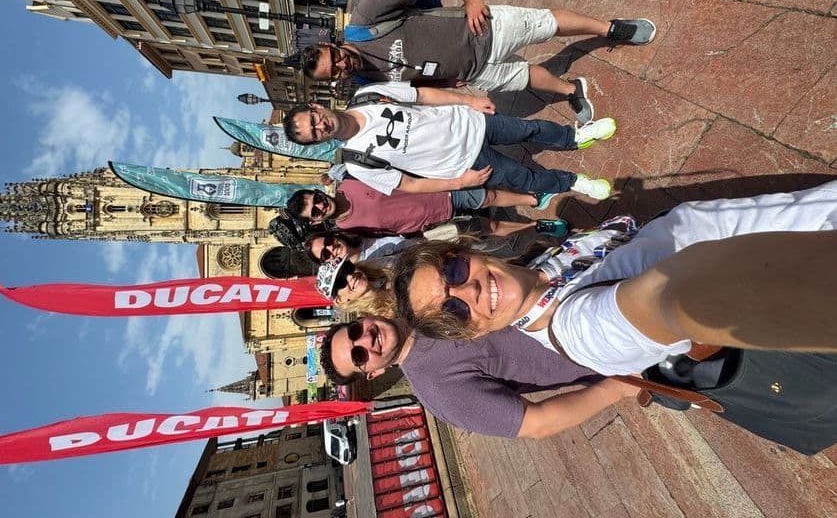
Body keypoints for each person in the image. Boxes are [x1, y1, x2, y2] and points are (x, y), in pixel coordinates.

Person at [393, 182, 837, 384]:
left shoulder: (542, 267)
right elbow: (671, 302)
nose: (467, 290)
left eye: (453, 270)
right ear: (472, 332)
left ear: (465, 250)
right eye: (454, 310)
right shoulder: (580, 330)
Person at [297, 0, 656, 123]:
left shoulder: (363, 21)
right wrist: (449, 82)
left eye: (336, 58)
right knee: (526, 78)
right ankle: (570, 91)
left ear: (333, 45)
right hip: (474, 73)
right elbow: (414, 84)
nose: (342, 66)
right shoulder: (365, 81)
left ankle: (610, 29)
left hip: (483, 26)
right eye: (334, 73)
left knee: (547, 24)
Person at [282, 81, 616, 200]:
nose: (320, 126)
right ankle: (574, 182)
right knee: (527, 179)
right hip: (466, 164)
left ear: (315, 106)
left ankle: (575, 136)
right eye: (314, 133)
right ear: (318, 143)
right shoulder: (356, 161)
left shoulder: (367, 95)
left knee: (530, 129)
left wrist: (468, 101)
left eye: (314, 119)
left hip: (470, 122)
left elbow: (421, 95)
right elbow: (409, 186)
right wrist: (459, 183)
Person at [319, 315, 612, 438]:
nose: (366, 340)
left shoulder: (418, 296)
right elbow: (537, 423)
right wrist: (618, 388)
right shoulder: (438, 391)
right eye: (360, 356)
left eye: (355, 331)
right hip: (604, 345)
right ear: (374, 372)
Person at [287, 184, 569, 238]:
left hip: (438, 192)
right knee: (489, 229)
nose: (320, 206)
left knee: (489, 196)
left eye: (316, 200)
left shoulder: (349, 181)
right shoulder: (347, 230)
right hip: (432, 228)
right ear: (315, 221)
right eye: (315, 212)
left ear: (318, 192)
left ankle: (533, 200)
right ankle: (536, 227)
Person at [315, 256, 395, 316]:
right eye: (340, 282)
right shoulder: (375, 320)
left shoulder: (389, 271)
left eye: (348, 268)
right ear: (340, 300)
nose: (350, 276)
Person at [304, 231, 414, 266]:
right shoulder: (364, 276)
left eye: (328, 241)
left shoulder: (363, 232)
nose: (330, 247)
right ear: (327, 263)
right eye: (325, 254)